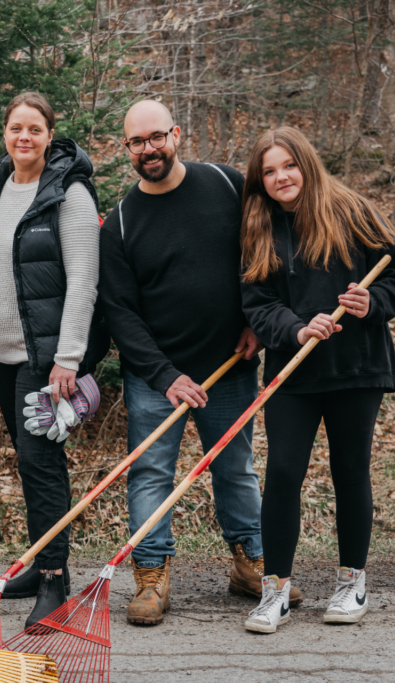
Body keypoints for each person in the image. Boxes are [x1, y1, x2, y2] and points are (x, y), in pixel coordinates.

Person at [99, 100, 295, 626]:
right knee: (150, 474)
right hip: (155, 377)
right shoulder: (119, 222)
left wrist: (258, 317)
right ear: (128, 149)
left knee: (235, 469)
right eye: (137, 142)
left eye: (156, 137)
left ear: (176, 134)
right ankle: (151, 574)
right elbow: (121, 313)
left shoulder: (227, 185)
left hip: (229, 365)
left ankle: (251, 564)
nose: (149, 149)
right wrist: (166, 376)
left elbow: (264, 250)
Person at [238, 127, 395, 634]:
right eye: (269, 171)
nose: (280, 178)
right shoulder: (259, 226)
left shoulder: (353, 210)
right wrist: (295, 328)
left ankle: (351, 582)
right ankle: (275, 590)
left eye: (287, 166)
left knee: (350, 470)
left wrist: (370, 304)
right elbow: (257, 305)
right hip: (293, 373)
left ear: (305, 164)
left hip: (356, 367)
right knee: (283, 475)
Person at [0, 92, 103, 625]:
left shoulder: (69, 194)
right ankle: (43, 561)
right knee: (26, 461)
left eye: (35, 130)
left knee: (40, 463)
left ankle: (54, 580)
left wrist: (68, 357)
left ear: (49, 135)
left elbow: (83, 282)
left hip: (43, 357)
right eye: (16, 128)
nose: (24, 138)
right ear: (6, 133)